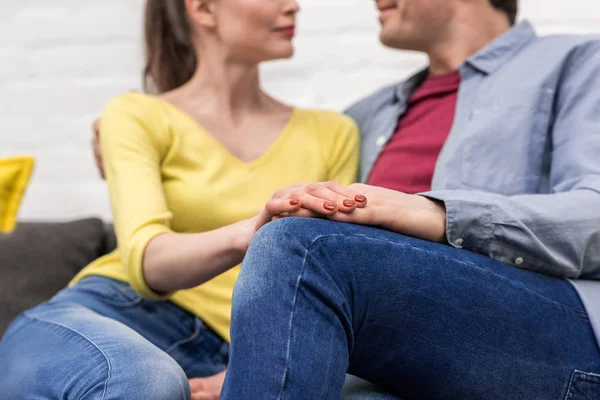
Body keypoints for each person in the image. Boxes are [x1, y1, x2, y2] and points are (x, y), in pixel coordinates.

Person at [220, 0, 600, 399]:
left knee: (303, 246)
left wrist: (430, 212)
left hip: (559, 333)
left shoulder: (579, 62)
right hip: (416, 352)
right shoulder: (367, 114)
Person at [0, 0, 360, 399]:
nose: (293, 6)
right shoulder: (137, 114)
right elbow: (148, 262)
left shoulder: (334, 133)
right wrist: (258, 230)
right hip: (113, 315)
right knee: (146, 380)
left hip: (242, 349)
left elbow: (328, 280)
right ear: (204, 9)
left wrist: (242, 373)